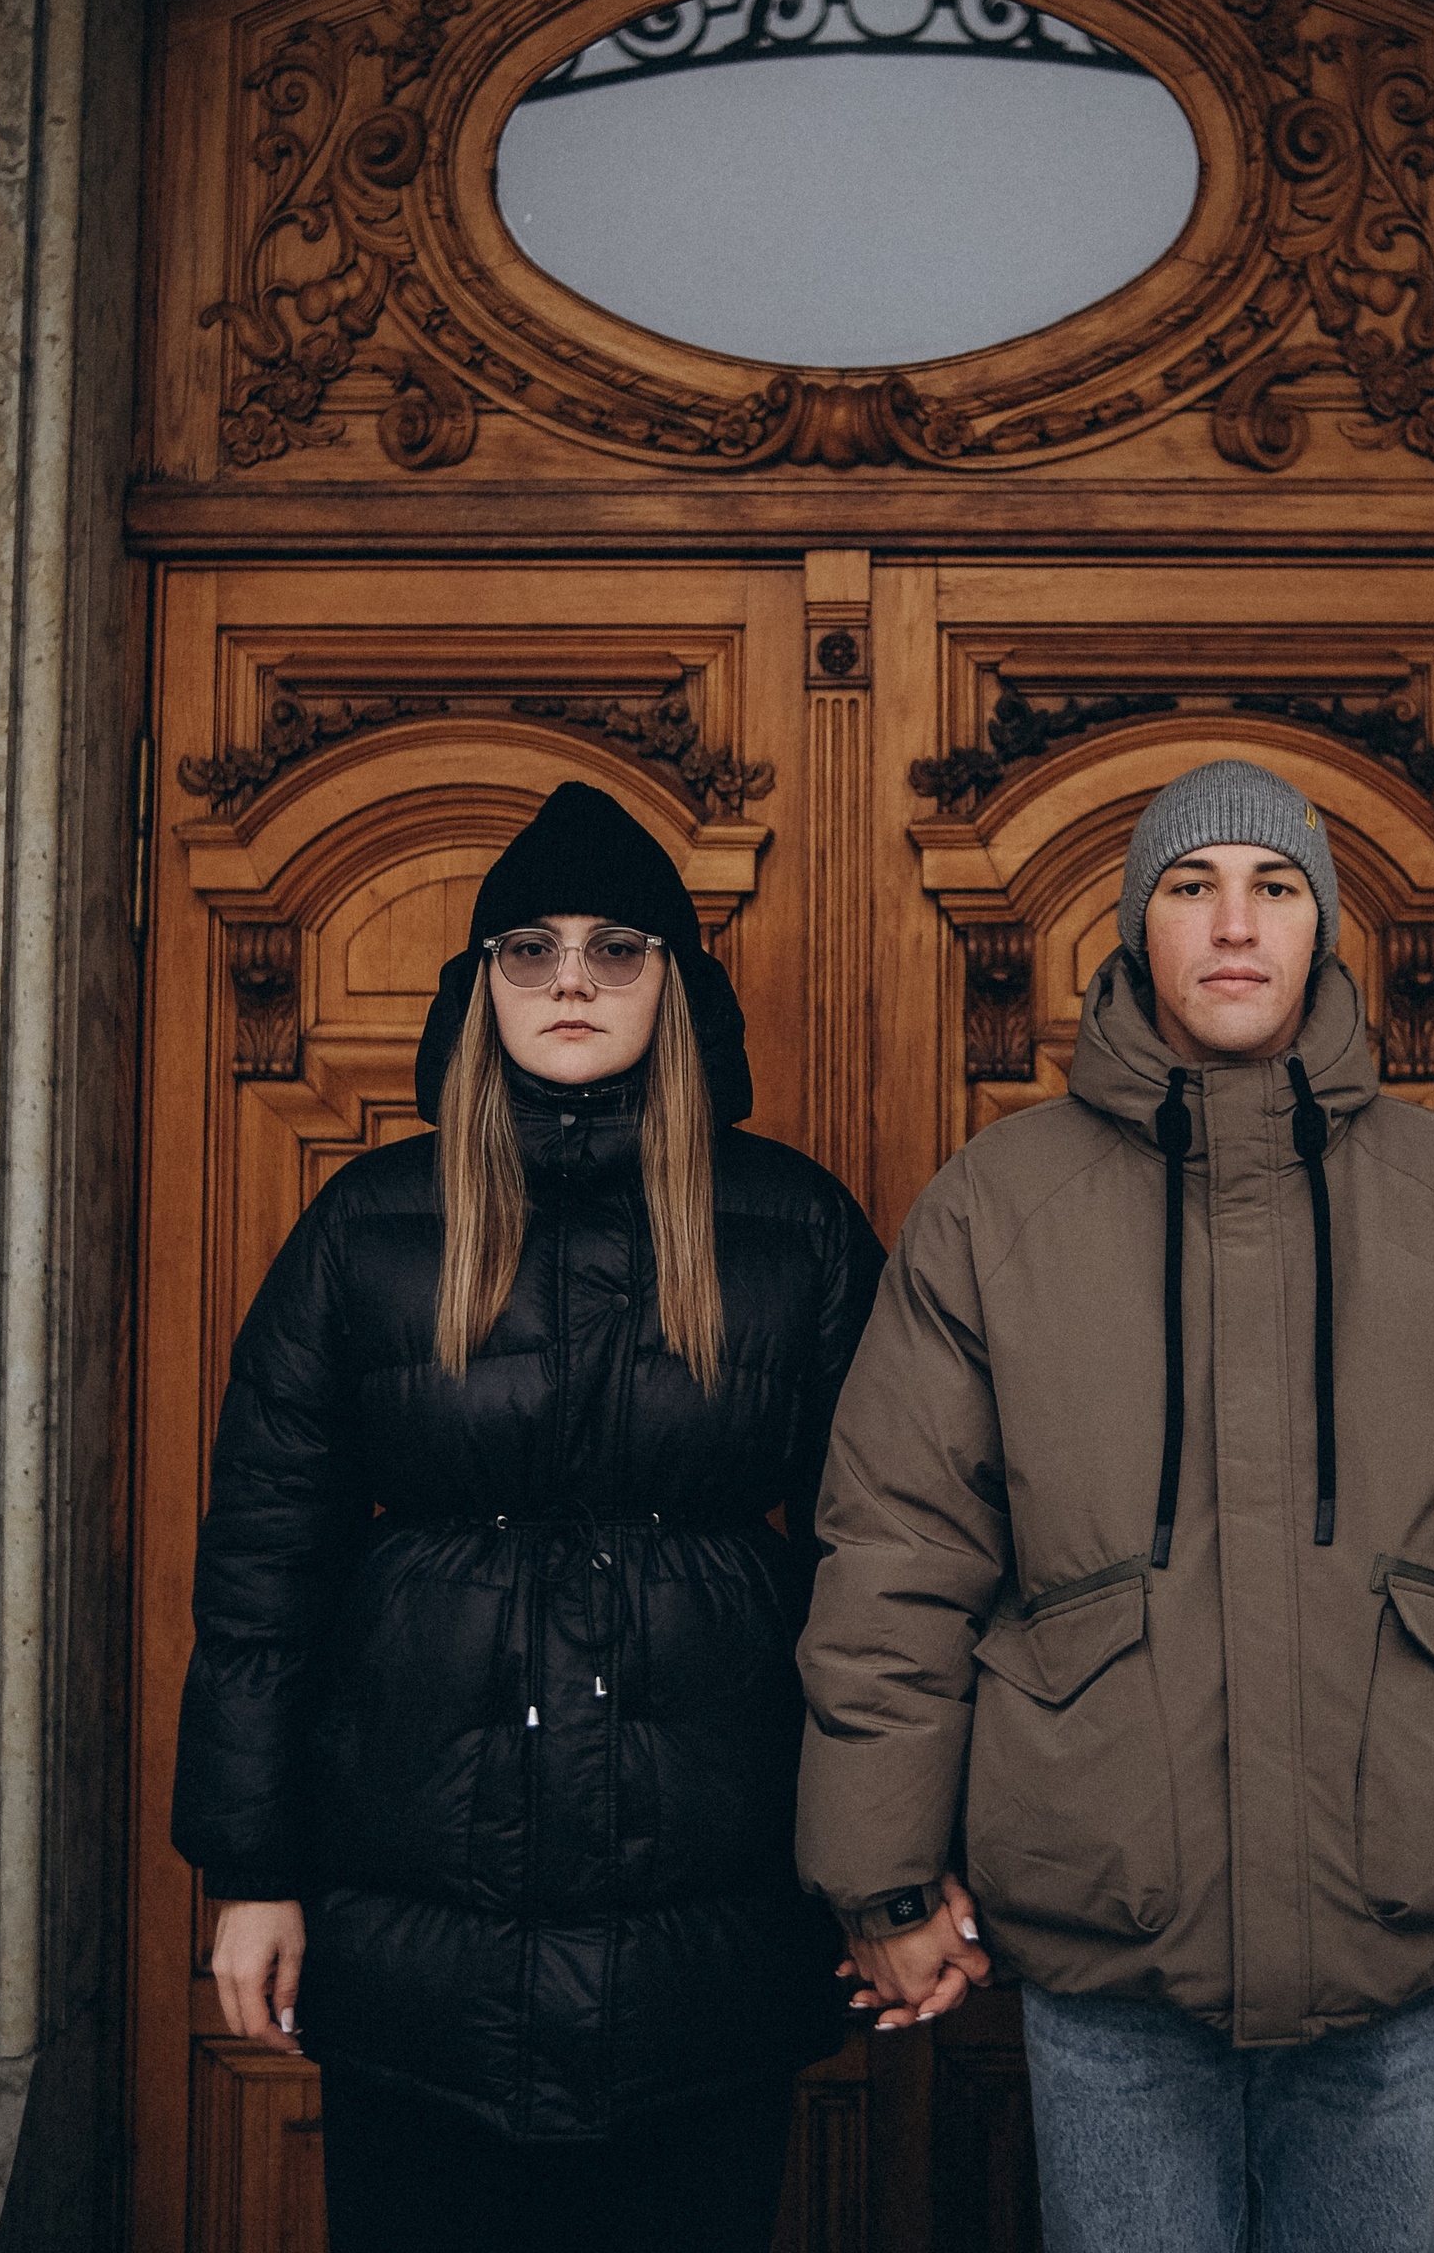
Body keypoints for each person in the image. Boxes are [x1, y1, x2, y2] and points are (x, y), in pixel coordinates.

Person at [796, 758, 1434, 2253]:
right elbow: (897, 1557)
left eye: (1274, 886)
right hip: (1109, 1948)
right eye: (1192, 887)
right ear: (1139, 928)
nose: (1236, 924)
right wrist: (882, 1881)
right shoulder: (995, 1207)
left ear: (1324, 925)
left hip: (1400, 1936)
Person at [173, 780, 883, 2253]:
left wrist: (892, 1876)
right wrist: (252, 1875)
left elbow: (883, 1574)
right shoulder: (368, 1227)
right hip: (422, 1951)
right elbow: (264, 1574)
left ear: (675, 984)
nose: (572, 980)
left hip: (707, 1938)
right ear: (480, 982)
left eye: (617, 948)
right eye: (530, 948)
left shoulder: (796, 1230)